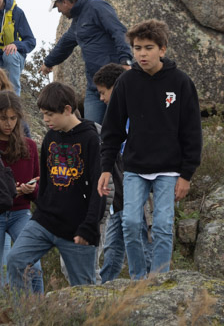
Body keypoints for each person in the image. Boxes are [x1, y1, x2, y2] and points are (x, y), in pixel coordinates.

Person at [98, 20, 202, 280]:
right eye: (137, 48)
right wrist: (105, 169)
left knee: (164, 226)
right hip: (135, 167)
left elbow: (192, 132)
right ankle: (138, 280)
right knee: (131, 223)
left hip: (169, 169)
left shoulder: (181, 82)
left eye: (148, 47)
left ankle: (159, 279)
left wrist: (186, 175)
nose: (142, 53)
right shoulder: (126, 82)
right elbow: (112, 131)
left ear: (162, 50)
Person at [7, 82, 103, 289]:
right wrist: (40, 207)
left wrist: (89, 226)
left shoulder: (91, 139)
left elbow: (99, 187)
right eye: (43, 114)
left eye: (50, 114)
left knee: (84, 290)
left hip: (78, 229)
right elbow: (47, 180)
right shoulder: (50, 138)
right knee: (15, 260)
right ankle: (22, 316)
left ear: (68, 109)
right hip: (45, 222)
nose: (45, 120)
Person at [0, 90, 43, 293]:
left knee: (34, 268)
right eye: (3, 118)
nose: (9, 123)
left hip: (21, 213)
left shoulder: (30, 147)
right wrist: (5, 192)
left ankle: (39, 313)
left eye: (13, 118)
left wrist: (30, 189)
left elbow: (39, 188)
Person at [39, 0, 132, 125]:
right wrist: (48, 62)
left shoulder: (97, 7)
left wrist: (125, 60)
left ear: (65, 1)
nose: (59, 12)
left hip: (114, 84)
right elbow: (65, 44)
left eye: (58, 7)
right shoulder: (77, 21)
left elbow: (118, 31)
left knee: (116, 129)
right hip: (93, 86)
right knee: (91, 130)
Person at [93, 63, 152, 282]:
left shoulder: (132, 117)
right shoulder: (116, 118)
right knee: (113, 248)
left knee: (144, 244)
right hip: (119, 200)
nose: (101, 99)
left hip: (137, 197)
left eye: (103, 92)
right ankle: (105, 288)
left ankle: (149, 287)